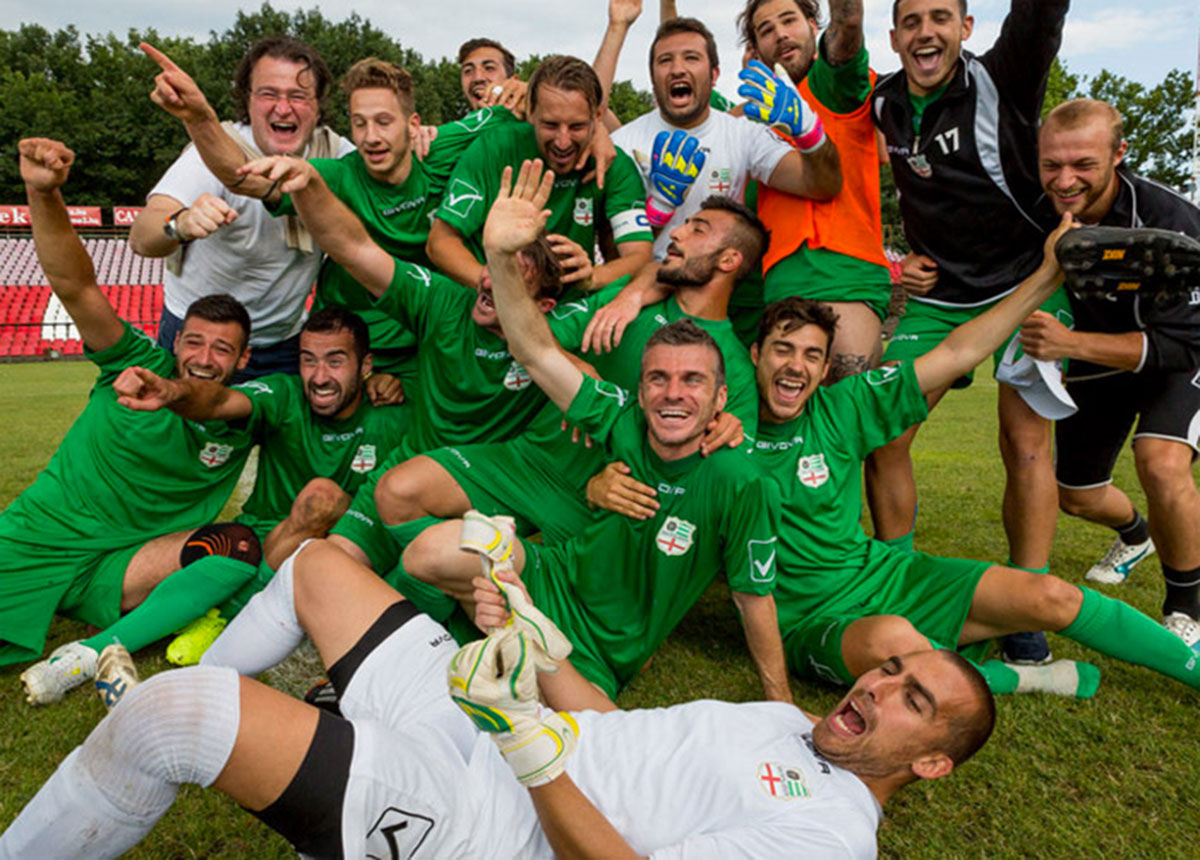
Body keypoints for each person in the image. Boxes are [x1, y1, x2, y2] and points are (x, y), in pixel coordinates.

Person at [0, 535, 996, 859]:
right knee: (320, 563)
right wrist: (527, 630)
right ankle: (315, 728)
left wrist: (527, 745)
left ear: (932, 761)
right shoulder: (789, 723)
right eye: (894, 667)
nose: (879, 681)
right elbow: (615, 727)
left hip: (495, 819)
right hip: (506, 734)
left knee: (178, 712)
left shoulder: (826, 832)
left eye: (913, 700)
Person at [748, 222, 1200, 701]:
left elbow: (959, 349)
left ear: (824, 369)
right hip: (812, 618)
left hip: (885, 577)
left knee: (1051, 594)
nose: (795, 365)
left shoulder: (844, 405)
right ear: (755, 355)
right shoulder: (723, 430)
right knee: (896, 647)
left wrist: (1048, 277)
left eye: (811, 355)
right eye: (783, 349)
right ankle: (1025, 677)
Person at [402, 162, 787, 703]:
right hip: (553, 493)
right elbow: (535, 345)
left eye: (696, 229)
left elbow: (724, 485)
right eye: (656, 378)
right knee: (422, 534)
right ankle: (450, 627)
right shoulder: (628, 323)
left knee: (578, 739)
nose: (675, 231)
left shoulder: (736, 397)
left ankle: (518, 633)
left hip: (609, 559)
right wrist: (500, 258)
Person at [232, 153, 573, 583]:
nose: (489, 282)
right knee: (328, 569)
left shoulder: (552, 341)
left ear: (542, 306)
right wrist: (311, 187)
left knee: (418, 582)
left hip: (481, 495)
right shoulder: (444, 300)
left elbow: (590, 388)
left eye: (511, 277)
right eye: (493, 266)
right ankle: (236, 615)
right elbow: (355, 249)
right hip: (404, 471)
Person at [372, 195, 767, 557]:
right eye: (685, 223)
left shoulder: (733, 366)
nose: (677, 232)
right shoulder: (622, 301)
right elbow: (527, 335)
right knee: (399, 490)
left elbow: (730, 470)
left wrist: (729, 429)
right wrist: (573, 363)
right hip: (530, 461)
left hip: (601, 505)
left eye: (698, 229)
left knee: (494, 578)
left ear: (728, 260)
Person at [6, 140, 262, 700]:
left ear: (243, 360)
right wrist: (43, 192)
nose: (204, 357)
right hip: (40, 539)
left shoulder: (247, 411)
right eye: (194, 342)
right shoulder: (132, 362)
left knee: (238, 546)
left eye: (223, 350)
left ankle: (82, 656)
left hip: (122, 569)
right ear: (176, 341)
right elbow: (75, 286)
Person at [864, 0, 1071, 664]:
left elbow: (1040, 13)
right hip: (939, 298)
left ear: (967, 28)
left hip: (1025, 283)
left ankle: (1028, 606)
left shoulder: (1005, 77)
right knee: (885, 433)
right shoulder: (882, 103)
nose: (927, 32)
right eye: (912, 20)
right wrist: (898, 264)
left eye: (940, 18)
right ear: (894, 36)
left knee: (1025, 439)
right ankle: (894, 582)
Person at [141, 45, 519, 389]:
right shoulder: (332, 170)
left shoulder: (427, 146)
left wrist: (526, 91)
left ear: (414, 124)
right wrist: (198, 118)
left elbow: (536, 108)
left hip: (308, 339)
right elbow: (241, 178)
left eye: (384, 121)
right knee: (174, 438)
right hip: (226, 333)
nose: (371, 137)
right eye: (360, 123)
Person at [104, 308, 409, 668]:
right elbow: (220, 401)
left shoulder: (394, 414)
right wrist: (172, 391)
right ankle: (225, 612)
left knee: (326, 502)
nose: (320, 377)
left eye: (335, 361)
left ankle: (227, 612)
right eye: (308, 361)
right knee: (124, 599)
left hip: (340, 547)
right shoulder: (283, 393)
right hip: (259, 542)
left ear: (365, 364)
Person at [1021, 98, 1200, 647]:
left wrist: (1070, 342)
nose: (1064, 179)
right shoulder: (1032, 209)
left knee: (1160, 460)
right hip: (1097, 365)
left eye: (1083, 164)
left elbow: (1180, 343)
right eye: (1052, 164)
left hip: (1181, 356)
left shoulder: (1174, 220)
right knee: (1076, 493)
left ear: (1118, 155)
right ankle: (1135, 535)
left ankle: (1186, 609)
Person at [129, 37, 354, 379]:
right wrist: (182, 224)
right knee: (183, 431)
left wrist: (423, 137)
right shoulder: (211, 149)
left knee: (283, 433)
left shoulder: (337, 154)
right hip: (198, 337)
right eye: (268, 94)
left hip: (282, 342)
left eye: (298, 96)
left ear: (318, 106)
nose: (283, 108)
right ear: (247, 102)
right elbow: (142, 237)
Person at [737, 0, 893, 381]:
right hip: (777, 286)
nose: (781, 34)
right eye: (766, 30)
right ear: (754, 51)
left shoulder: (833, 82)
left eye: (789, 21)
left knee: (843, 421)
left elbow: (848, 23)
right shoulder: (749, 120)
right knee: (793, 434)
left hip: (842, 272)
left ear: (812, 25)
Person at [427, 55, 654, 292]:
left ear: (597, 118)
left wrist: (593, 277)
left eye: (576, 126)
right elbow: (441, 242)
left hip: (569, 309)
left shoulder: (614, 165)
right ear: (531, 113)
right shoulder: (494, 148)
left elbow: (639, 256)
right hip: (490, 305)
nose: (563, 141)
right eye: (550, 125)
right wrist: (497, 287)